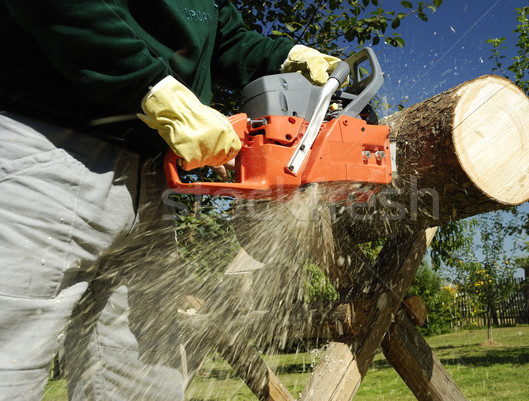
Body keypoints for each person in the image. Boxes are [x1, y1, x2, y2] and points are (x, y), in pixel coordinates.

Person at [0, 1, 342, 400]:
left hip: (150, 181)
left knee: (145, 384)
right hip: (46, 147)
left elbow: (225, 37)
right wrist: (151, 86)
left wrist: (285, 57)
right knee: (11, 362)